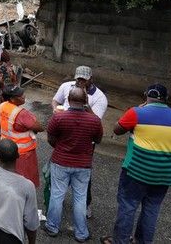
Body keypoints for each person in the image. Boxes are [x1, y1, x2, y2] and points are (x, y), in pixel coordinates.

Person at [100, 84, 171, 244]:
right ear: (165, 98)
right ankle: (142, 241)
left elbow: (117, 130)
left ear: (146, 95)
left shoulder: (137, 112)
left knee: (128, 206)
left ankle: (121, 241)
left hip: (136, 170)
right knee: (152, 209)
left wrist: (135, 112)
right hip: (164, 173)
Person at [43, 87, 103, 243]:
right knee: (80, 198)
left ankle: (52, 227)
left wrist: (59, 147)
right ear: (85, 101)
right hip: (83, 164)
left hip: (60, 161)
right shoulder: (94, 120)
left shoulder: (58, 118)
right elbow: (98, 140)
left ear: (68, 100)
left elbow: (50, 137)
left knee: (57, 194)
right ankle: (81, 233)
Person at [51, 65, 108, 217]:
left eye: (84, 79)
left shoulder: (100, 98)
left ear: (91, 79)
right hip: (65, 136)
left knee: (83, 178)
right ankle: (58, 197)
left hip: (85, 141)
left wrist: (85, 102)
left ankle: (86, 205)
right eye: (78, 78)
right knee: (60, 174)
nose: (80, 82)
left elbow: (96, 122)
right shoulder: (66, 86)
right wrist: (56, 110)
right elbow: (55, 101)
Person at [0, 84, 43, 188]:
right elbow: (40, 127)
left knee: (10, 181)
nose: (23, 96)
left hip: (7, 149)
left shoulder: (2, 106)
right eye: (20, 95)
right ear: (12, 99)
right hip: (23, 154)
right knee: (25, 183)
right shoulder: (21, 114)